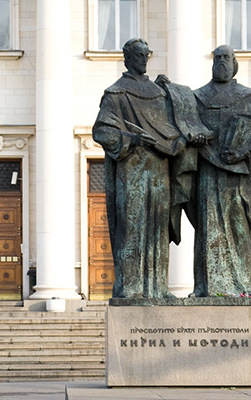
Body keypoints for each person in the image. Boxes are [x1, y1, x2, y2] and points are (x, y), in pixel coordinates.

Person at [92, 38, 209, 298]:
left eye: (147, 55)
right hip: (131, 169)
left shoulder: (159, 93)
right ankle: (131, 288)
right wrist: (132, 139)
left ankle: (157, 288)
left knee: (158, 229)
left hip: (160, 169)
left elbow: (175, 125)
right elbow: (102, 131)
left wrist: (185, 138)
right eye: (139, 55)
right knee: (132, 227)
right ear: (127, 58)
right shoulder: (116, 93)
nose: (144, 59)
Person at [189, 45, 251, 297]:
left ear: (234, 63)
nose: (221, 62)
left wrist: (243, 151)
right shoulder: (198, 97)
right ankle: (205, 286)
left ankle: (241, 285)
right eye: (217, 58)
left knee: (239, 227)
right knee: (207, 228)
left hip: (237, 176)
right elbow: (187, 127)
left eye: (226, 58)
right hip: (208, 172)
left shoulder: (247, 97)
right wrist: (196, 137)